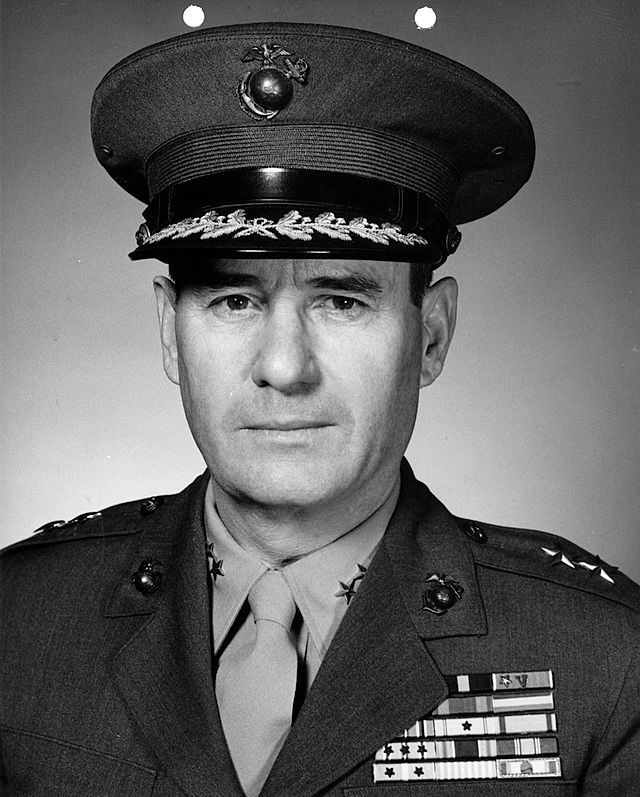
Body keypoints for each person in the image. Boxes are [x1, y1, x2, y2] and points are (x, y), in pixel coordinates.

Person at [1, 21, 638, 797]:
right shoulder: (19, 623)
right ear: (170, 331)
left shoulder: (604, 664)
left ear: (431, 335)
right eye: (235, 299)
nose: (283, 366)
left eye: (342, 300)